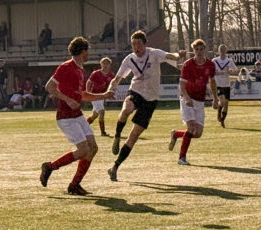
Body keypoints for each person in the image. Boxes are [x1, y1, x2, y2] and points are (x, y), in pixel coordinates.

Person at [105, 30, 185, 182]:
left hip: (151, 99)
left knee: (134, 136)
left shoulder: (154, 53)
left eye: (139, 44)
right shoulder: (129, 59)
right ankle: (117, 136)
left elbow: (170, 56)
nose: (136, 47)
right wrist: (110, 89)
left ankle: (115, 167)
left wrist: (178, 55)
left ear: (145, 44)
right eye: (133, 44)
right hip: (136, 91)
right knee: (127, 109)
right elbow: (117, 78)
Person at [39, 37, 111, 195]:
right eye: (87, 50)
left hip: (77, 115)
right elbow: (49, 87)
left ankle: (74, 185)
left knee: (93, 148)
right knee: (84, 150)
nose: (88, 54)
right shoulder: (66, 67)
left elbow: (83, 95)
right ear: (83, 51)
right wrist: (67, 99)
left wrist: (104, 95)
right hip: (65, 117)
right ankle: (50, 166)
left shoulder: (81, 70)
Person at [169, 39, 218, 165]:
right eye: (197, 49)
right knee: (191, 128)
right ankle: (182, 158)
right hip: (187, 98)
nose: (199, 52)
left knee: (197, 133)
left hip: (199, 100)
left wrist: (215, 98)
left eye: (201, 49)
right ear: (193, 51)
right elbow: (182, 84)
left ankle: (176, 134)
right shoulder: (188, 64)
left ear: (205, 50)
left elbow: (212, 82)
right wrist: (186, 98)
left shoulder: (210, 65)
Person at [85, 57, 115, 137]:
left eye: (107, 63)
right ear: (101, 64)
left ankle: (83, 128)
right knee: (101, 111)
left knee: (95, 115)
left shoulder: (111, 75)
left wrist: (110, 93)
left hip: (102, 96)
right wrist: (87, 92)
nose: (105, 65)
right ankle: (103, 132)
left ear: (110, 65)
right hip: (94, 95)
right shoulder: (96, 73)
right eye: (104, 63)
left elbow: (111, 85)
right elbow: (89, 82)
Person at [211, 44, 238, 127]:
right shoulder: (215, 60)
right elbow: (209, 70)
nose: (222, 52)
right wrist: (213, 72)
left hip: (226, 84)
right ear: (219, 51)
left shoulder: (229, 60)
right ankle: (219, 114)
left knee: (226, 104)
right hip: (218, 84)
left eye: (224, 51)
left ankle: (222, 120)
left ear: (226, 51)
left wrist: (231, 71)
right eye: (221, 51)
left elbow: (236, 70)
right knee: (222, 100)